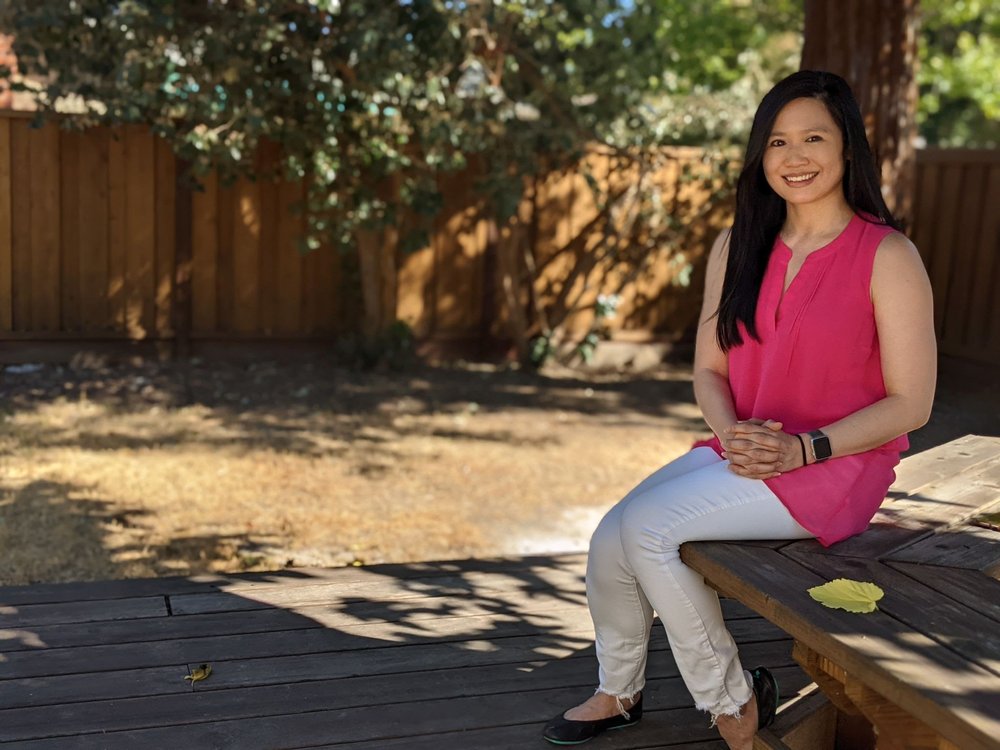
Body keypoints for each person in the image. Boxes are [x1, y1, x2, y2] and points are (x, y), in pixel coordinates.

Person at [542, 70, 937, 749]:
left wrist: (803, 448)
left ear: (849, 149)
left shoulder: (889, 255)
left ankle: (732, 703)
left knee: (648, 529)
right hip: (744, 448)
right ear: (761, 155)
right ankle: (620, 690)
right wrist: (732, 435)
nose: (795, 157)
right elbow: (708, 368)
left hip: (834, 466)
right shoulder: (737, 246)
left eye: (814, 138)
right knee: (611, 534)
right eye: (778, 141)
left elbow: (914, 402)